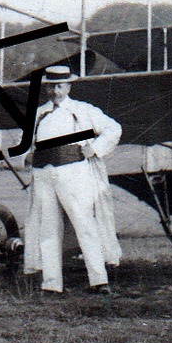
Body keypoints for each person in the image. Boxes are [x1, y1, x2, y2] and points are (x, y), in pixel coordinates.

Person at [23, 64, 123, 295]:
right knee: (48, 229)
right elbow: (24, 142)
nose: (55, 91)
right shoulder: (38, 113)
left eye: (59, 86)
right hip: (44, 174)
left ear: (68, 86)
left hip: (73, 172)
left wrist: (95, 149)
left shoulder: (82, 110)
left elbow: (113, 129)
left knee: (85, 224)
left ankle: (98, 280)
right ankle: (51, 283)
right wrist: (26, 154)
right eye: (50, 87)